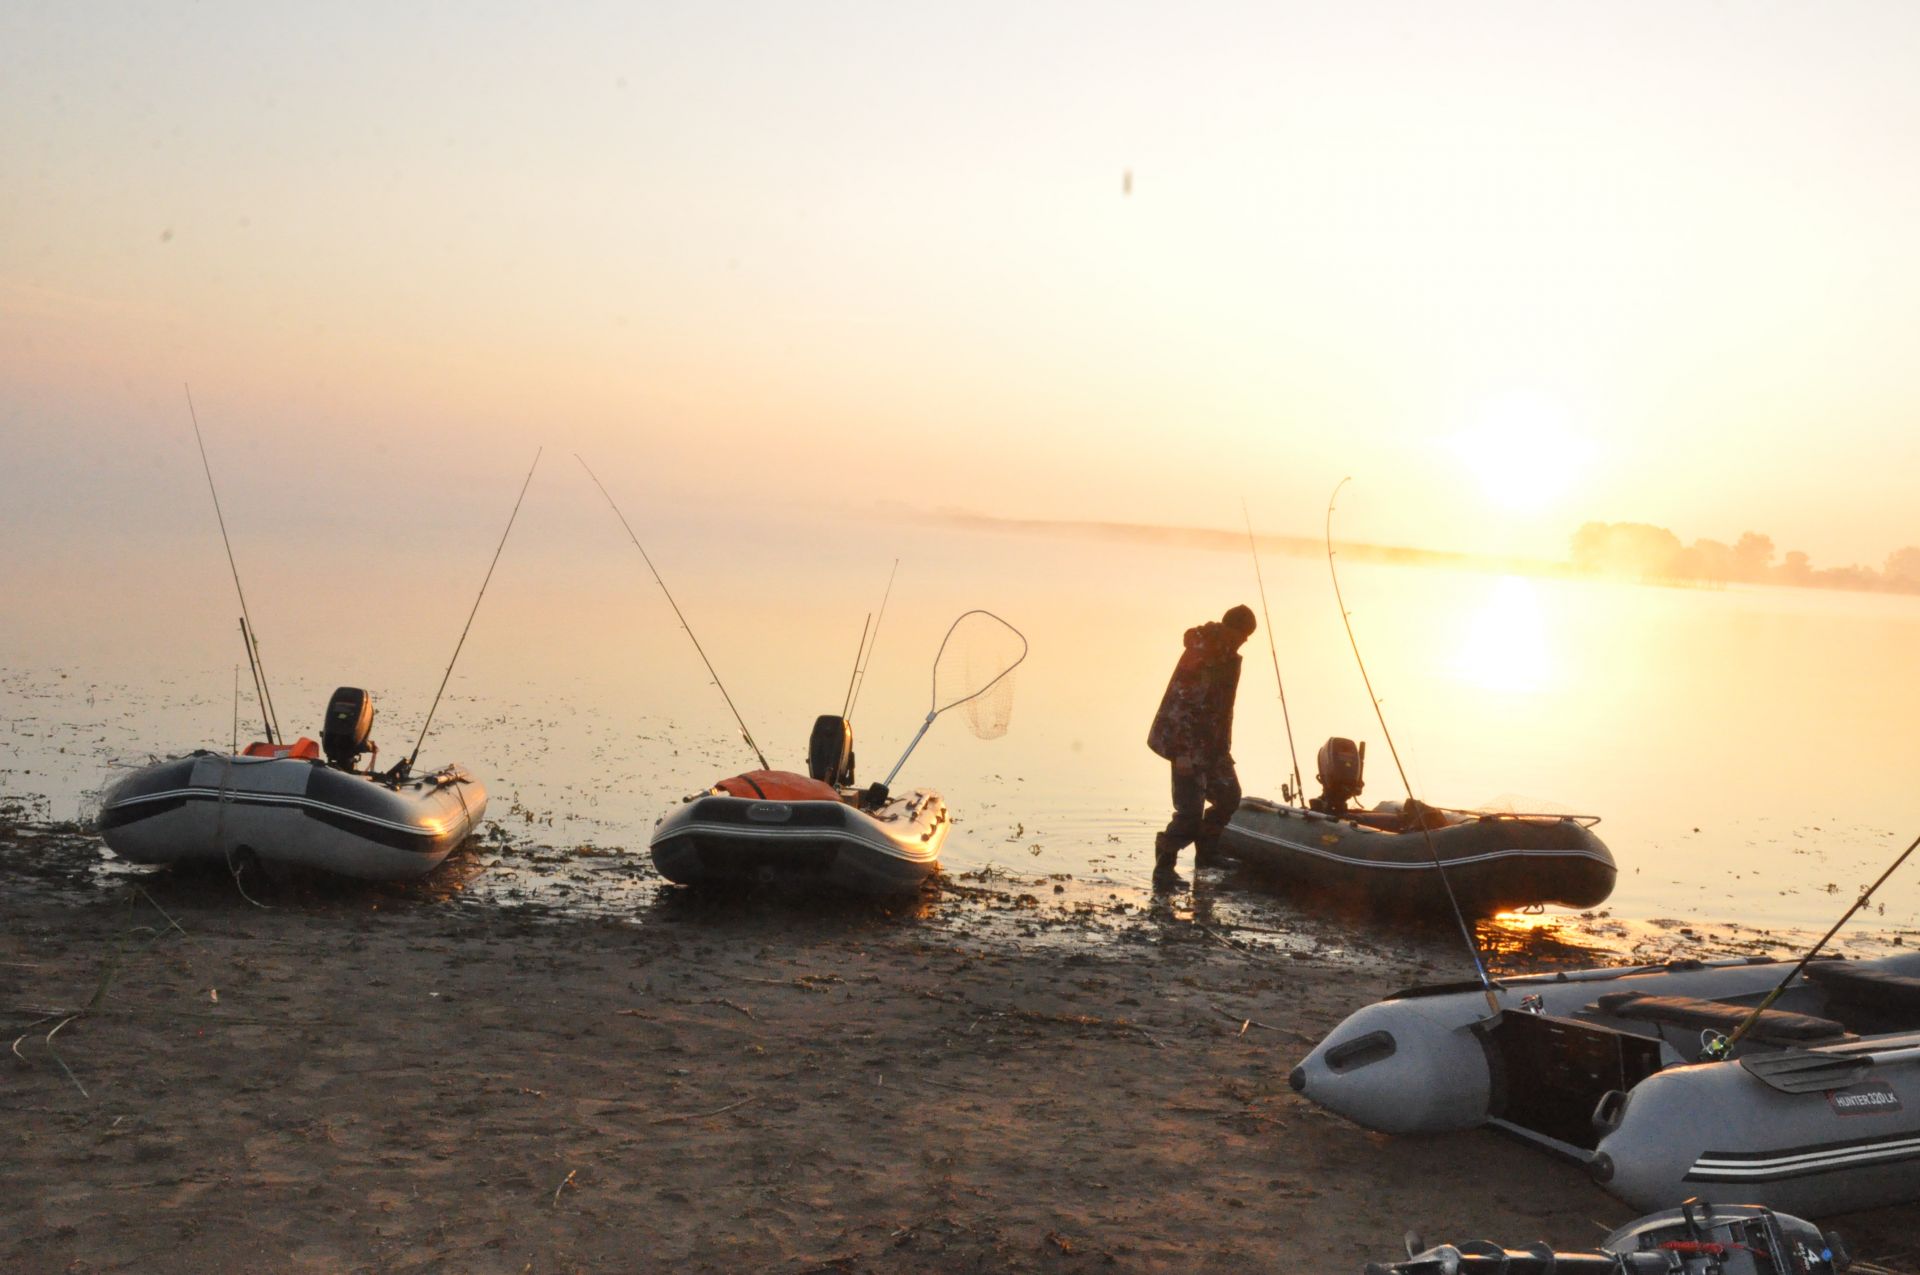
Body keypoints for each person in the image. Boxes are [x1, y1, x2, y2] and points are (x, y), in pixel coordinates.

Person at [1146, 604, 1256, 890]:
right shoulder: (1202, 652)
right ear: (1231, 630)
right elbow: (1181, 704)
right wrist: (1181, 752)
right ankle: (1164, 866)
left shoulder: (1227, 656)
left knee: (1229, 796)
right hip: (1187, 745)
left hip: (1213, 747)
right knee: (1189, 812)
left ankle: (1207, 855)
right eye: (1243, 635)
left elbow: (1220, 709)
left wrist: (1223, 747)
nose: (1244, 641)